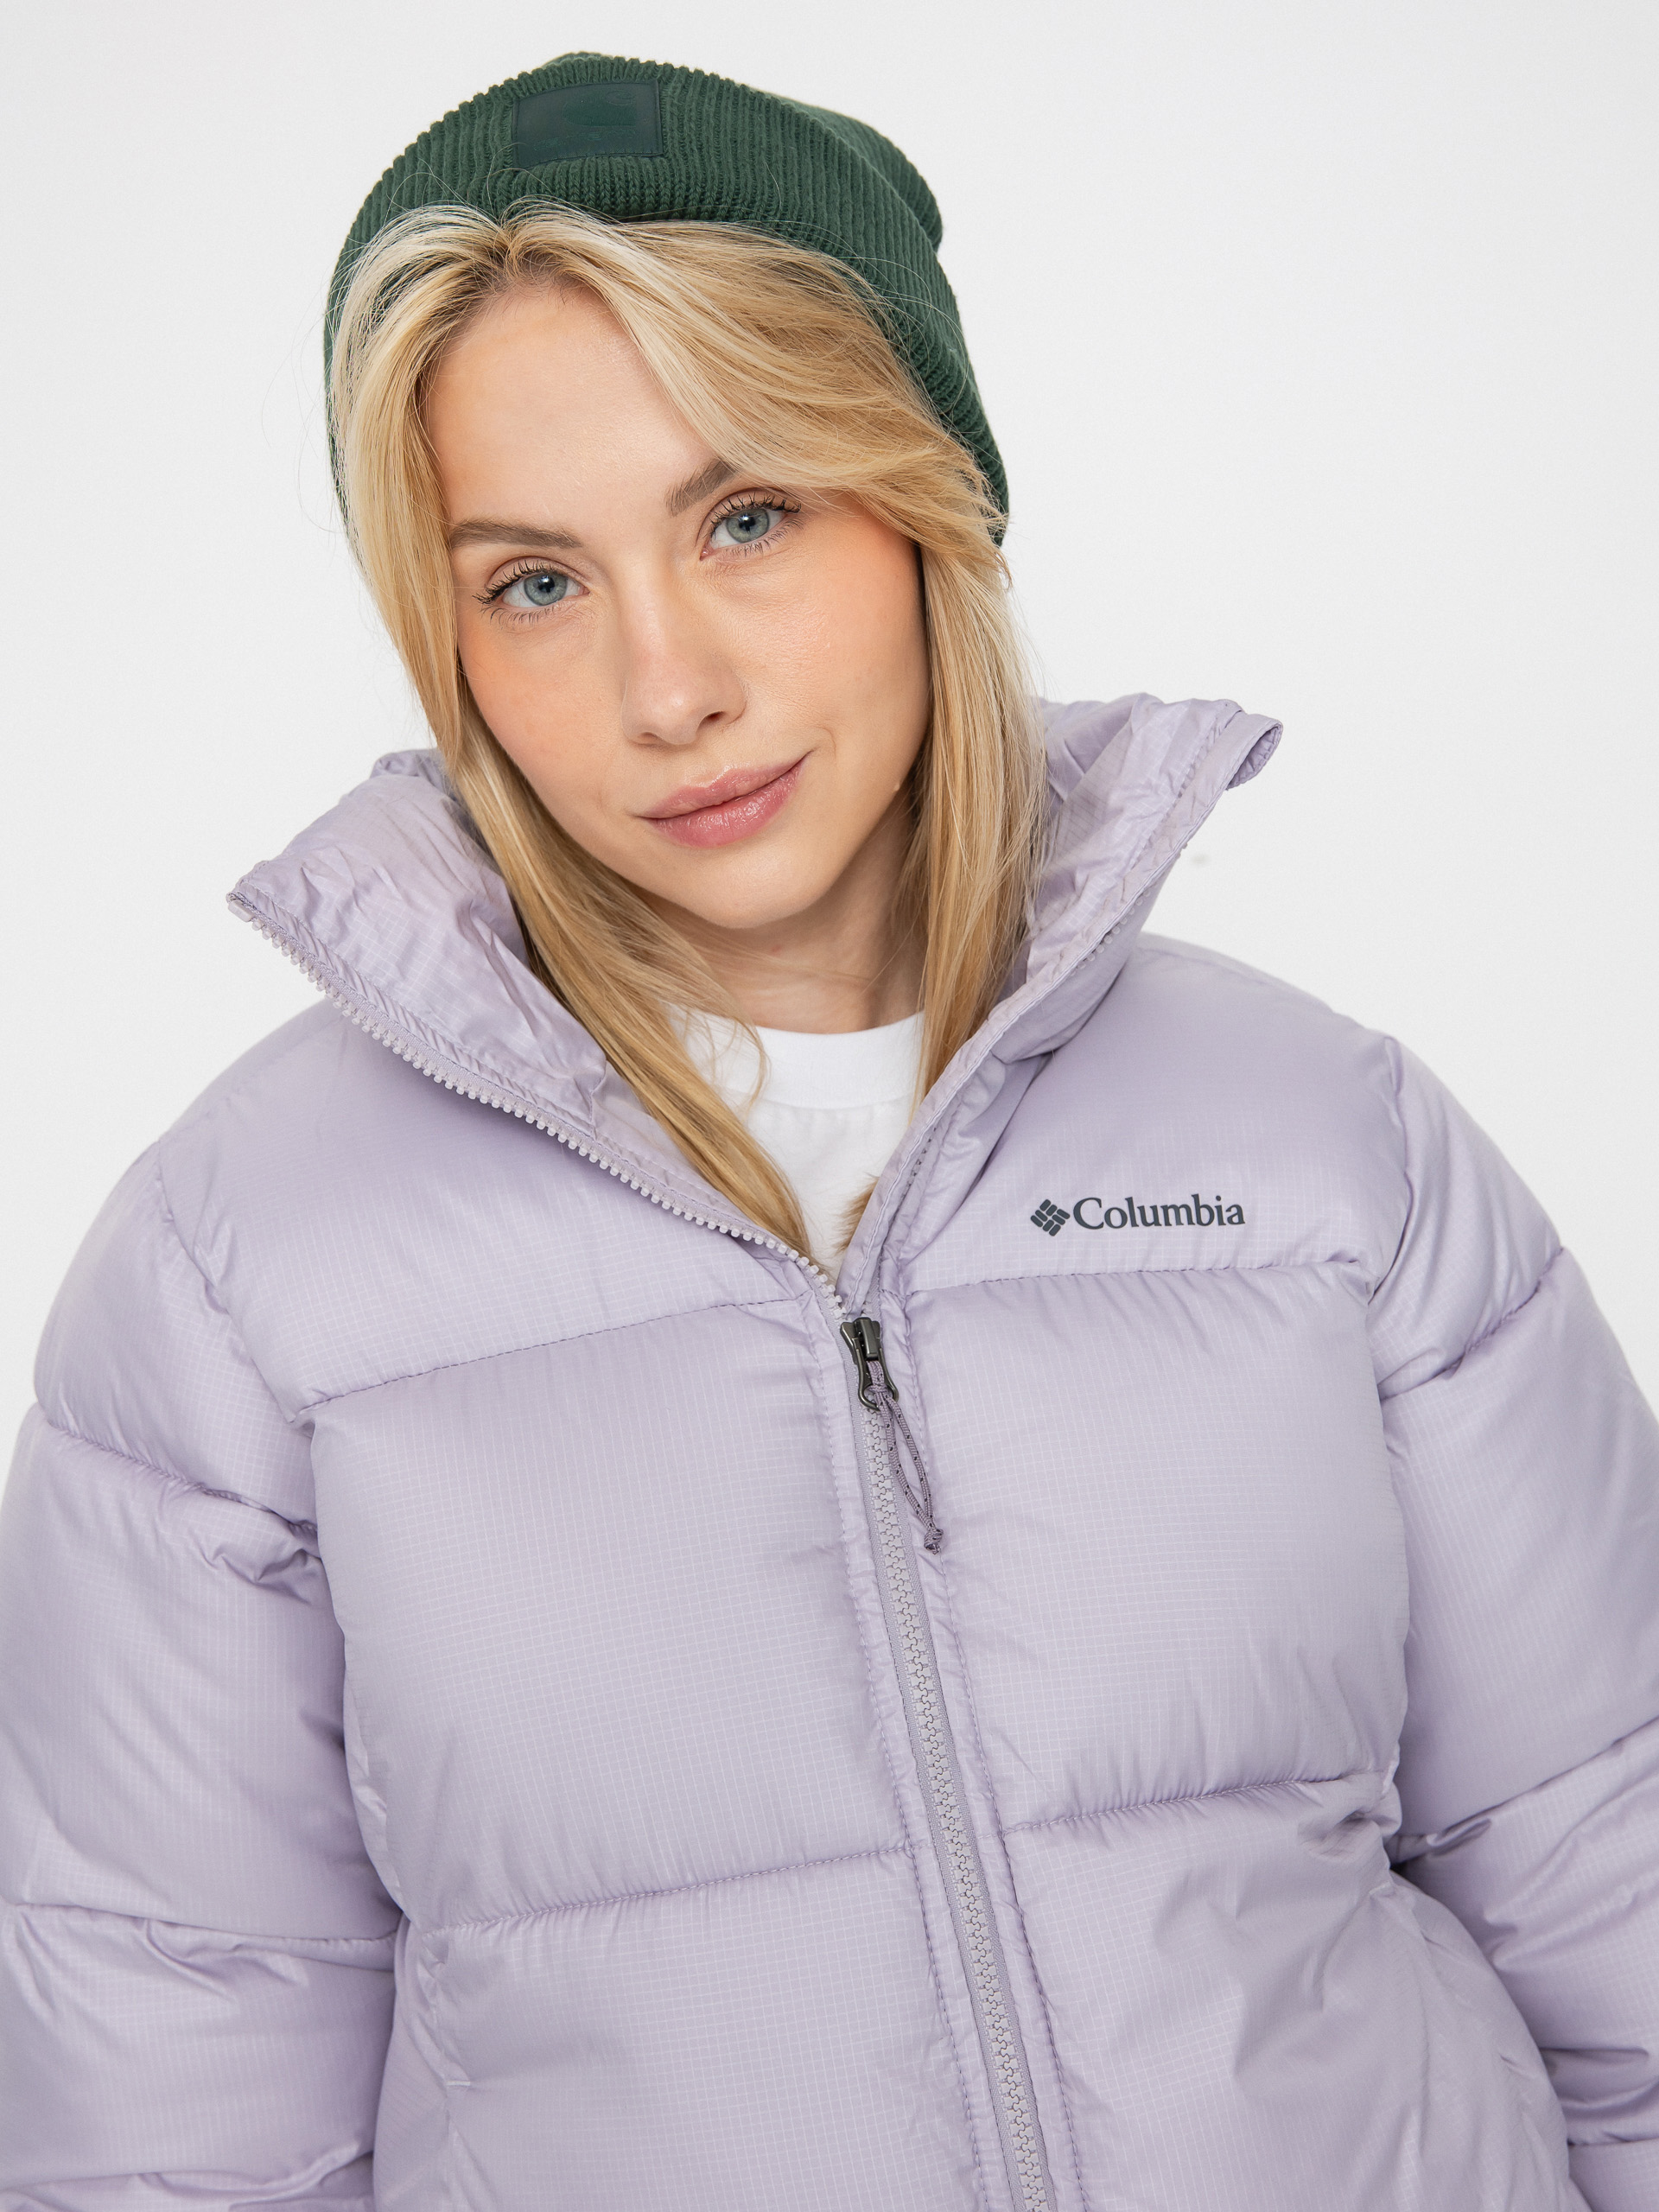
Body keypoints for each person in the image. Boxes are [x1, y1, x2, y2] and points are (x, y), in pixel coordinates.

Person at [2, 48, 1656, 2212]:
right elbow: (167, 2116)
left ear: (927, 498)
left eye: (748, 515)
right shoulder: (238, 1277)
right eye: (533, 581)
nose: (667, 683)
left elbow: (1617, 1905)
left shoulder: (1332, 1150)